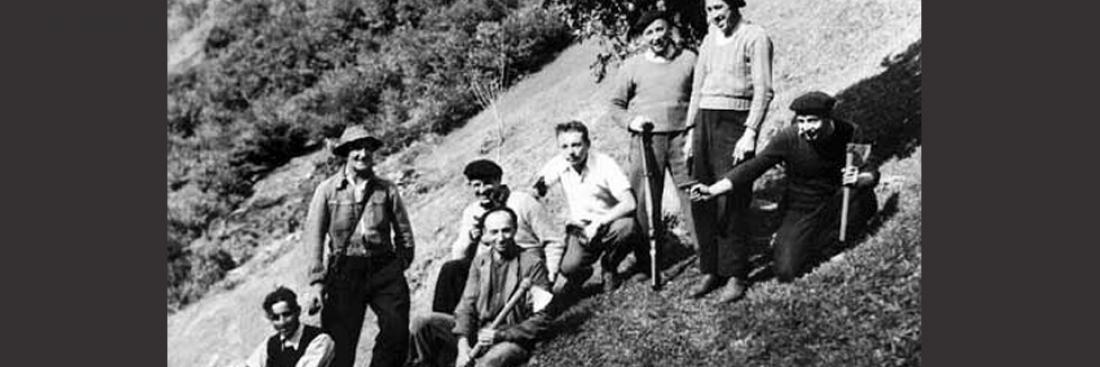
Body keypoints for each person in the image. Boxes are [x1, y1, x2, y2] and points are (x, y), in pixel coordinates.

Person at [690, 91, 879, 283]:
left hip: (838, 198)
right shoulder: (788, 138)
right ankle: (816, 240)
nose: (805, 128)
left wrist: (859, 179)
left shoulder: (850, 132)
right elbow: (753, 168)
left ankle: (836, 242)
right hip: (802, 207)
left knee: (863, 198)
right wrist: (712, 190)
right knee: (786, 270)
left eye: (812, 121)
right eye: (801, 121)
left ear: (828, 118)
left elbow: (871, 172)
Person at [682, 0, 775, 302]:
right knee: (701, 197)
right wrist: (690, 132)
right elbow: (697, 88)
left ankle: (736, 273)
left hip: (734, 124)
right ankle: (711, 269)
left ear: (735, 4)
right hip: (704, 122)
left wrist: (750, 132)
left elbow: (764, 89)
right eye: (709, 9)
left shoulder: (755, 36)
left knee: (731, 198)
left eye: (719, 7)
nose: (714, 15)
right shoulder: (709, 39)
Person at [302, 125, 415, 367]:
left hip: (384, 267)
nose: (362, 153)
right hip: (345, 270)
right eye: (355, 148)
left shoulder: (386, 189)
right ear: (346, 153)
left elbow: (403, 230)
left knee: (396, 332)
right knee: (339, 342)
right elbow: (314, 237)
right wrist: (317, 282)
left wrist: (401, 262)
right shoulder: (327, 190)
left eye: (367, 148)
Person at [608, 10, 698, 281]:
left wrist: (694, 129)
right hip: (647, 140)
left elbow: (699, 95)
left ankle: (706, 254)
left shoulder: (689, 59)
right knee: (645, 202)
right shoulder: (631, 66)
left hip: (683, 136)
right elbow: (615, 105)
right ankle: (649, 262)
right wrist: (632, 122)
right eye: (649, 33)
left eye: (660, 30)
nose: (656, 37)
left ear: (669, 29)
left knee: (692, 193)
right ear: (642, 38)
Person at [406, 208, 555, 367]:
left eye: (506, 231)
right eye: (494, 232)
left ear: (515, 229)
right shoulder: (480, 263)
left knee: (488, 363)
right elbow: (466, 306)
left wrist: (501, 335)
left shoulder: (533, 264)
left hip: (510, 340)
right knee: (422, 323)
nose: (500, 238)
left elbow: (543, 318)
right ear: (485, 234)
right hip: (477, 333)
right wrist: (463, 347)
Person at [432, 159, 563, 317]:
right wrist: (470, 239)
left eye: (487, 183)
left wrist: (550, 277)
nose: (482, 190)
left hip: (523, 265)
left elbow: (553, 241)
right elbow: (459, 255)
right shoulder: (471, 211)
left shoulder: (522, 202)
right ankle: (441, 325)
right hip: (491, 267)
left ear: (499, 181)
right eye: (476, 185)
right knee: (451, 269)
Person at [533, 121, 641, 294]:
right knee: (567, 267)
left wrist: (599, 222)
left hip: (610, 223)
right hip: (581, 229)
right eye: (564, 146)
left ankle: (609, 266)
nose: (571, 152)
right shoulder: (559, 163)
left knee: (628, 228)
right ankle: (582, 274)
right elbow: (537, 189)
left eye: (576, 145)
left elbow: (629, 203)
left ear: (588, 144)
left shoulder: (604, 163)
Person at [243, 287, 335, 367]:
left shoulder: (320, 340)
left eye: (287, 315)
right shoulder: (270, 344)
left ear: (298, 311)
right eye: (276, 318)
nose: (282, 322)